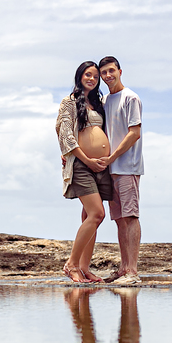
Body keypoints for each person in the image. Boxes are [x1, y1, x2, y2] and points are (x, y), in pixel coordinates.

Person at [55, 61, 113, 283]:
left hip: (100, 166)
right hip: (82, 165)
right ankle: (71, 265)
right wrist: (84, 158)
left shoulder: (97, 103)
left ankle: (84, 267)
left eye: (95, 76)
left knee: (90, 217)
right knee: (98, 214)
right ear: (80, 76)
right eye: (88, 75)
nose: (92, 79)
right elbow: (64, 132)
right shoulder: (69, 102)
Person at [98, 56, 142, 285]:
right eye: (103, 72)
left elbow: (135, 132)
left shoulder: (131, 98)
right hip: (109, 168)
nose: (108, 76)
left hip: (127, 166)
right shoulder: (105, 100)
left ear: (120, 71)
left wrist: (113, 157)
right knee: (118, 219)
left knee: (130, 216)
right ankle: (124, 269)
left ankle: (133, 272)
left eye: (111, 71)